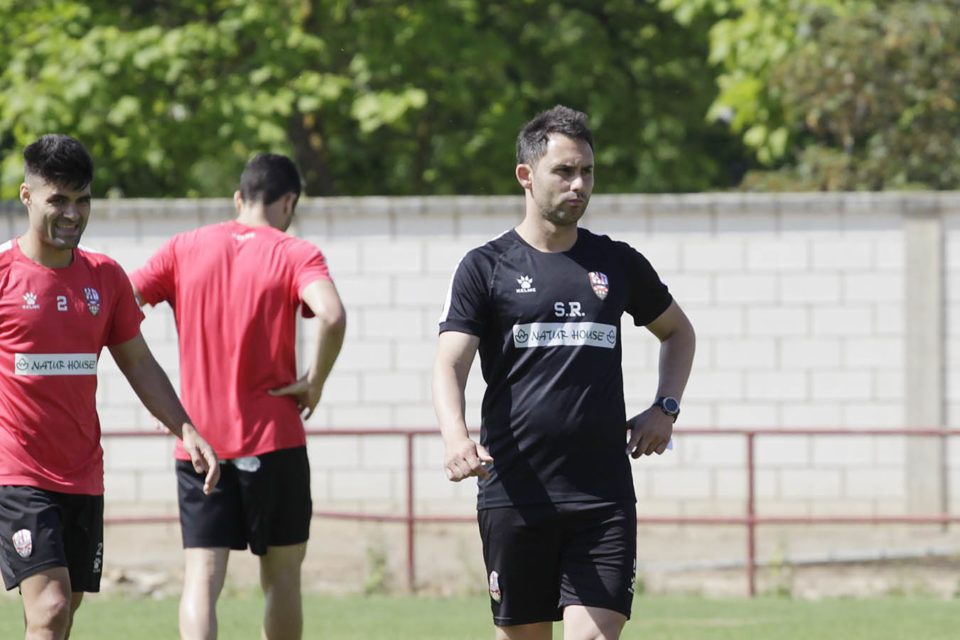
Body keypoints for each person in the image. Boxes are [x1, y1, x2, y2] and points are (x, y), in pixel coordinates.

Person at [432, 105, 696, 640]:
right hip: (514, 493)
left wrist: (665, 408)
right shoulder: (486, 267)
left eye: (588, 172)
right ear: (526, 176)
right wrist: (455, 437)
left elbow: (679, 333)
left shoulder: (617, 263)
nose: (579, 185)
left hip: (602, 496)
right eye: (564, 172)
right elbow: (450, 361)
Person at [0, 134, 220, 640]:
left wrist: (185, 428)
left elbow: (139, 363)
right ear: (27, 196)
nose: (72, 213)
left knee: (59, 614)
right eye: (58, 199)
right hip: (19, 472)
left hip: (82, 474)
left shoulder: (106, 279)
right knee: (51, 608)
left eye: (82, 199)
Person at [129, 153, 346, 640]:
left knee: (202, 578)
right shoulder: (294, 252)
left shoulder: (183, 247)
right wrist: (316, 380)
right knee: (283, 578)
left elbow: (124, 304)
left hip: (200, 443)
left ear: (239, 198)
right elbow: (331, 315)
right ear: (288, 202)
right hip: (275, 439)